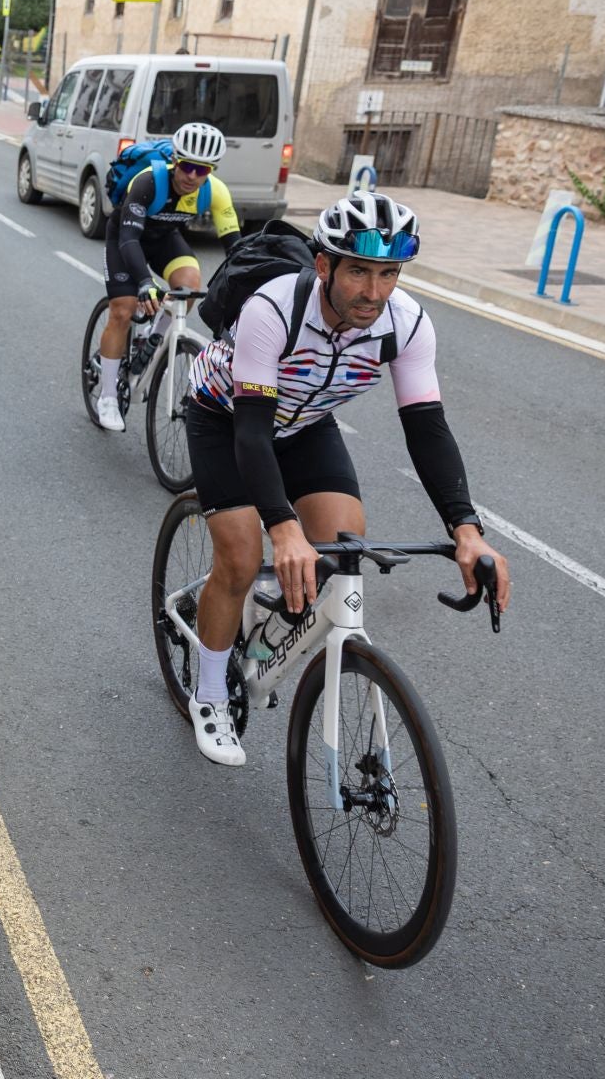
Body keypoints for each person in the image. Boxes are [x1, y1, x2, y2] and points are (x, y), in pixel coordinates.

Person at [180, 192, 512, 766]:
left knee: (342, 546)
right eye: (358, 271)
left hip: (306, 422)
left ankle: (259, 622)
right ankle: (209, 692)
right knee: (240, 555)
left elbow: (427, 428)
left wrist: (467, 528)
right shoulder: (274, 310)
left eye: (389, 274)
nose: (374, 292)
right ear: (324, 265)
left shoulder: (406, 324)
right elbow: (254, 434)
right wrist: (282, 528)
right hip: (228, 418)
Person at [94, 121, 241, 433]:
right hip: (125, 239)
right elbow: (129, 239)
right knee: (123, 307)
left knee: (189, 287)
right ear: (176, 160)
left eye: (201, 170)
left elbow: (236, 249)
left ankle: (152, 336)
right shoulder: (148, 182)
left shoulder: (216, 192)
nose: (192, 176)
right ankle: (107, 396)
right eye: (187, 166)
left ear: (211, 170)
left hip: (163, 239)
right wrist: (146, 282)